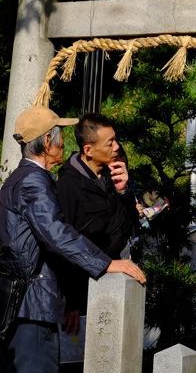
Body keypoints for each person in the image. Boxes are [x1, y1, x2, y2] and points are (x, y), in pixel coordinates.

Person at [0, 105, 146, 373]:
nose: (65, 142)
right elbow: (56, 233)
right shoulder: (34, 180)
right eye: (60, 134)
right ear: (47, 141)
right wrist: (106, 264)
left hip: (23, 304)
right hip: (34, 305)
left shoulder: (19, 179)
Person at [56, 112, 140, 369]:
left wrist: (124, 190)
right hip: (82, 291)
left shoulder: (110, 176)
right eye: (110, 143)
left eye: (116, 141)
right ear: (88, 150)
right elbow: (63, 244)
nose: (116, 148)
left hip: (115, 283)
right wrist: (70, 302)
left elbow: (130, 227)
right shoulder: (68, 186)